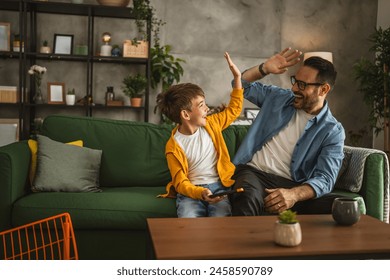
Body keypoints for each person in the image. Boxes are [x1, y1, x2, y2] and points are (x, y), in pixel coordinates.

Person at [230, 47, 345, 216]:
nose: (294, 89)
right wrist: (264, 69)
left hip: (293, 184)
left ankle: (292, 238)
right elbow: (240, 85)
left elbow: (325, 178)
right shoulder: (278, 98)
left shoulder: (333, 131)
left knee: (337, 205)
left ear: (324, 89)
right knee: (247, 195)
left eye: (302, 85)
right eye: (295, 81)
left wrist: (293, 195)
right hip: (254, 173)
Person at [156, 52, 243, 217]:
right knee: (189, 222)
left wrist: (237, 79)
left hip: (219, 187)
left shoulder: (212, 124)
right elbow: (180, 182)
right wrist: (199, 192)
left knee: (222, 220)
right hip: (191, 193)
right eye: (201, 105)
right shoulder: (173, 146)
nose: (207, 109)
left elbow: (233, 110)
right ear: (186, 115)